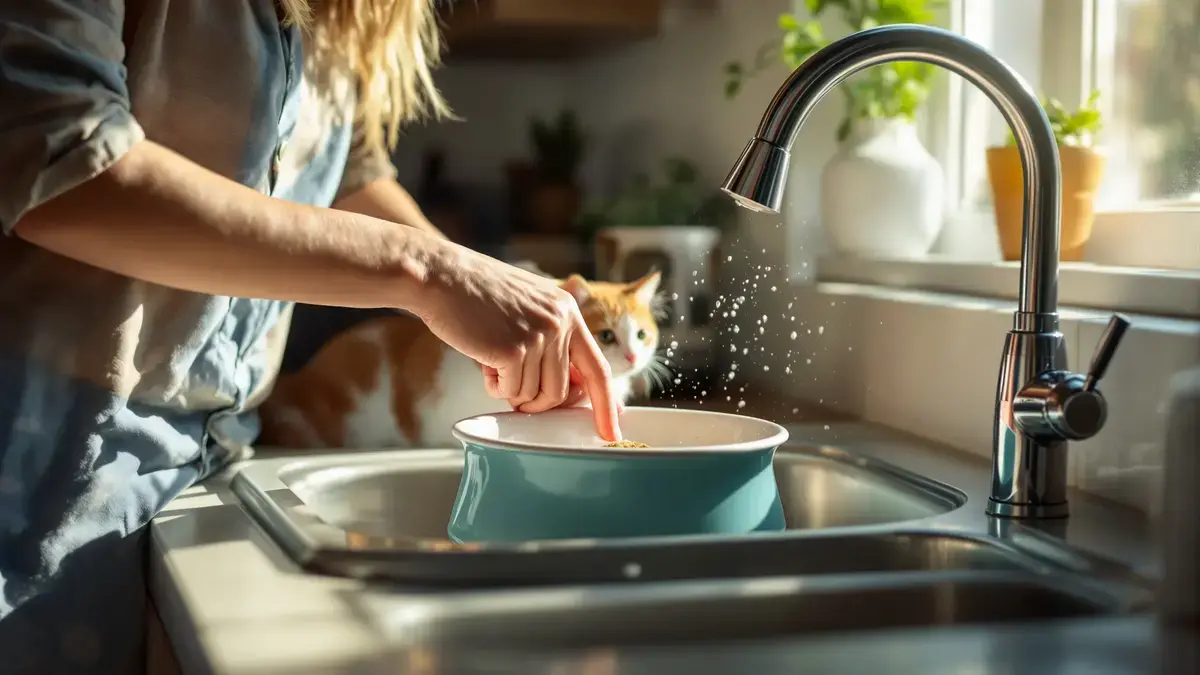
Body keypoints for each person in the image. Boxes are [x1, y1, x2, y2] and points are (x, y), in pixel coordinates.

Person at [0, 0, 622, 671]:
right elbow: (57, 155)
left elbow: (345, 172)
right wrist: (430, 271)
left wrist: (482, 296)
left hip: (215, 467)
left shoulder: (349, 12)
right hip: (40, 470)